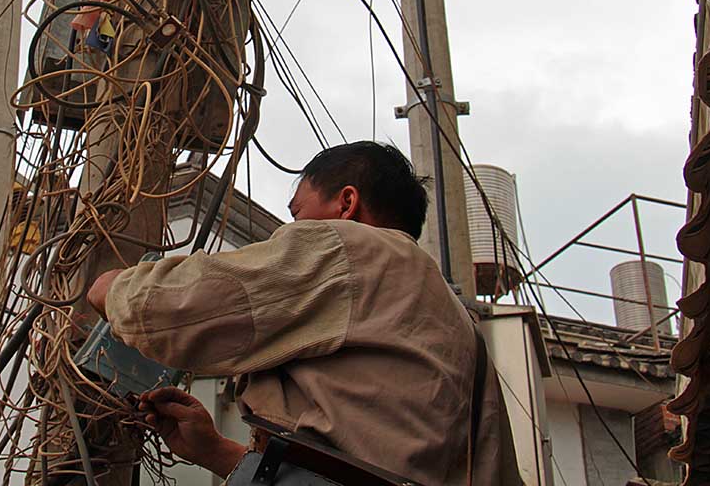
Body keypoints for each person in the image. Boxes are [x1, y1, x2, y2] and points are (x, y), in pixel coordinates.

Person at [86, 141, 522, 485]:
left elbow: (182, 305)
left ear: (345, 204)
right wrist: (214, 451)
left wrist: (111, 289)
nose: (289, 229)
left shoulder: (352, 248)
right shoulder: (459, 323)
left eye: (296, 212)